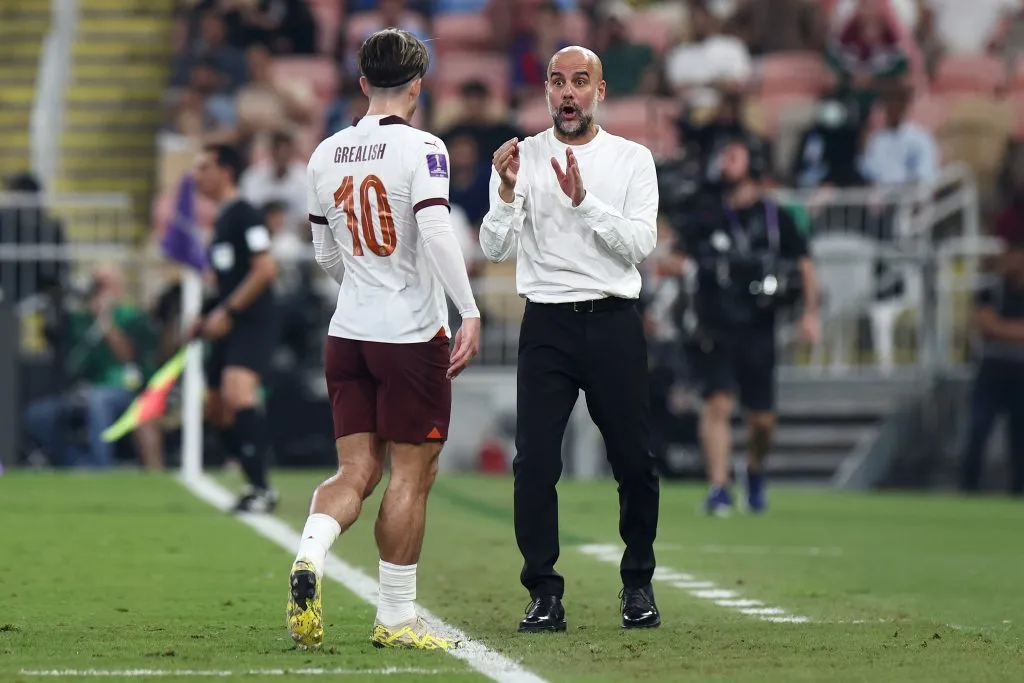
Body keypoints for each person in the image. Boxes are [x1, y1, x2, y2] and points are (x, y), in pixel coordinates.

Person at [288, 28, 482, 651]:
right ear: (418, 86)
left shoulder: (324, 153)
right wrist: (469, 309)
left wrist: (365, 282)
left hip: (347, 332)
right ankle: (396, 616)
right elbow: (436, 232)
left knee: (355, 471)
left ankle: (310, 554)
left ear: (364, 83)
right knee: (409, 476)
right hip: (409, 334)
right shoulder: (424, 147)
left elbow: (324, 253)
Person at [479, 46, 662, 633]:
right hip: (548, 323)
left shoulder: (633, 159)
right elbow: (494, 250)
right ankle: (543, 591)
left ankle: (637, 583)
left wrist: (585, 204)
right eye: (557, 82)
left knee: (634, 460)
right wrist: (506, 194)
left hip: (613, 319)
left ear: (600, 91)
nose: (567, 93)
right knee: (534, 462)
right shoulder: (521, 157)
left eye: (580, 82)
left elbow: (640, 245)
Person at [676, 139, 820, 516]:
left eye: (733, 155)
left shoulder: (776, 218)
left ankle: (754, 470)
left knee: (762, 420)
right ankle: (719, 487)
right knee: (717, 404)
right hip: (716, 321)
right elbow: (679, 255)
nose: (725, 162)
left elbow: (804, 263)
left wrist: (810, 313)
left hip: (758, 323)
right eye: (722, 155)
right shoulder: (707, 215)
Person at [192, 143, 281, 513]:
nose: (198, 174)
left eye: (204, 167)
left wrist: (227, 311)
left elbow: (265, 269)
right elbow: (227, 279)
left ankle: (262, 488)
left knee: (237, 390)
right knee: (215, 408)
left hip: (252, 321)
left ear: (226, 171)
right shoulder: (222, 220)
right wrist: (207, 313)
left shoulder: (246, 215)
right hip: (228, 321)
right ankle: (251, 476)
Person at [959, 236, 1024, 496]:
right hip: (991, 373)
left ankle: (1018, 494)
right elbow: (984, 324)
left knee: (1020, 440)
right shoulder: (991, 289)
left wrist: (1001, 329)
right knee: (978, 430)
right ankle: (968, 489)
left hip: (1021, 375)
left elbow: (994, 326)